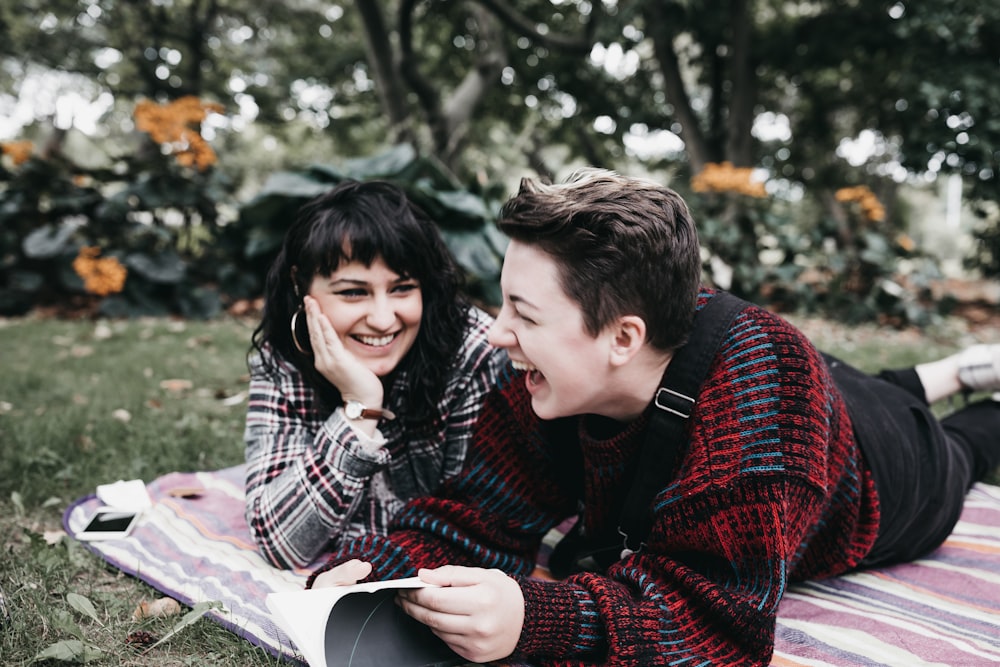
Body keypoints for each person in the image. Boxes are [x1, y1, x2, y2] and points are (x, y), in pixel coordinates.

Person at [308, 168, 1000, 666]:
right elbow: (482, 511)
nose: (495, 332)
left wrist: (535, 617)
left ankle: (980, 396)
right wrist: (381, 566)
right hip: (831, 396)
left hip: (892, 473)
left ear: (623, 338)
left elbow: (718, 626)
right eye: (503, 302)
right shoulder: (544, 374)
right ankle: (956, 367)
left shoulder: (764, 405)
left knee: (960, 442)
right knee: (872, 387)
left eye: (524, 312)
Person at [244, 179, 509, 570]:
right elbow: (281, 542)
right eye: (353, 292)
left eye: (402, 288)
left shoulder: (474, 355)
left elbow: (477, 527)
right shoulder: (285, 354)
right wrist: (359, 408)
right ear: (302, 285)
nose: (383, 319)